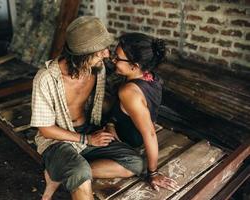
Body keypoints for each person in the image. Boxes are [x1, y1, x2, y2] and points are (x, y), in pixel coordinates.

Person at [30, 16, 143, 200]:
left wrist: (111, 124)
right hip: (57, 141)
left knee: (135, 163)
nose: (107, 55)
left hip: (88, 130)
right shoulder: (46, 78)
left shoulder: (97, 70)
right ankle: (74, 171)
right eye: (101, 51)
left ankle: (60, 174)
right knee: (80, 174)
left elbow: (104, 103)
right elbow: (45, 129)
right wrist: (87, 139)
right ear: (83, 54)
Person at [107, 32, 178, 192]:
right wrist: (111, 122)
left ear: (135, 65)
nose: (113, 60)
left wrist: (153, 173)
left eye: (117, 58)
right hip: (127, 128)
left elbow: (150, 134)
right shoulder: (152, 77)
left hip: (126, 141)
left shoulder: (129, 92)